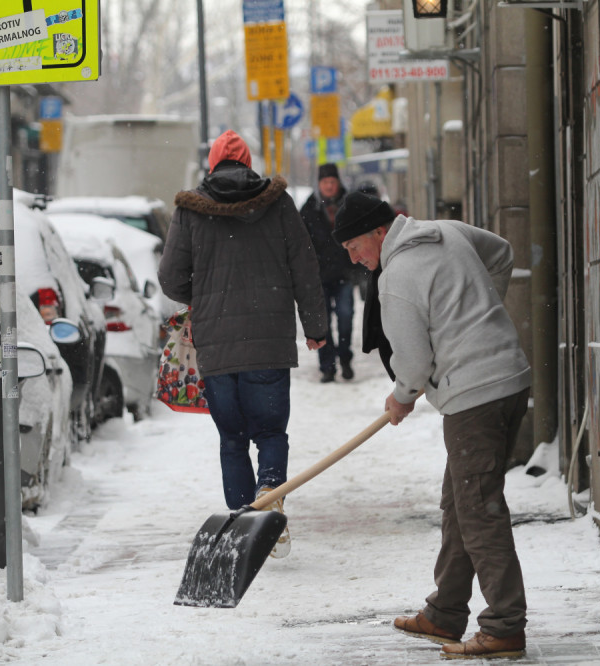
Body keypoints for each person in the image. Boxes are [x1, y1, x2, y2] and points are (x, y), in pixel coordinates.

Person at [333, 192, 532, 659]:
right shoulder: (446, 231)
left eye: (354, 246)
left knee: (479, 511)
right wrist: (483, 315)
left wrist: (401, 397)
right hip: (507, 380)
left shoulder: (397, 277)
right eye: (346, 252)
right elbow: (502, 253)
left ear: (380, 232)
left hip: (474, 396)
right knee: (460, 502)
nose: (355, 258)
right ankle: (445, 612)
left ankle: (504, 625)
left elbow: (415, 364)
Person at [158, 130, 328, 558]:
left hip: (217, 346)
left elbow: (171, 277)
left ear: (212, 163)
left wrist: (200, 296)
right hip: (269, 343)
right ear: (249, 163)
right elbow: (304, 266)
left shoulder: (190, 211)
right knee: (270, 431)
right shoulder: (278, 204)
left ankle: (242, 526)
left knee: (232, 438)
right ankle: (270, 491)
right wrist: (315, 326)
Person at [299, 163, 366, 382]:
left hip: (345, 273)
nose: (329, 186)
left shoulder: (350, 204)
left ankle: (345, 358)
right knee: (323, 322)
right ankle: (327, 365)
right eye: (325, 182)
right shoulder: (309, 209)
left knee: (346, 317)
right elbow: (301, 244)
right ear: (319, 184)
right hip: (319, 278)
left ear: (338, 183)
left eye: (332, 182)